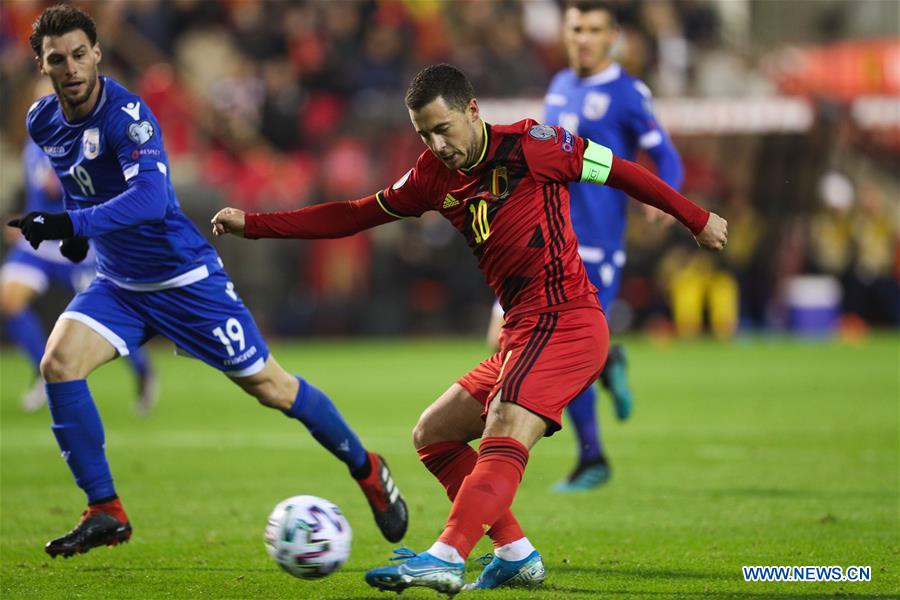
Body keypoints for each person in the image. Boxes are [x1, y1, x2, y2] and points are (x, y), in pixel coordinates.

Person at [212, 63, 727, 594]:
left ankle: (446, 555)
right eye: (424, 134)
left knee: (505, 420)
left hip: (568, 320)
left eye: (443, 128)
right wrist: (254, 225)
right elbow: (352, 214)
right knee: (433, 434)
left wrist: (696, 218)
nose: (437, 144)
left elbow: (621, 169)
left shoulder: (534, 146)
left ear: (473, 111)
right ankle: (514, 552)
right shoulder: (432, 177)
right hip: (522, 332)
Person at [9, 4, 407, 559]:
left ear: (97, 53)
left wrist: (71, 224)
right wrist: (79, 236)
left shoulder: (129, 117)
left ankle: (368, 469)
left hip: (183, 280)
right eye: (58, 59)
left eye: (80, 54)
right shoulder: (42, 120)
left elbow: (150, 200)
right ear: (42, 64)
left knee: (272, 388)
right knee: (59, 364)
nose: (72, 67)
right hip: (121, 283)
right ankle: (105, 510)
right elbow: (79, 182)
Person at [485, 0, 685, 492]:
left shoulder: (627, 93)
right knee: (499, 339)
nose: (584, 39)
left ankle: (592, 456)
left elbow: (667, 156)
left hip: (593, 244)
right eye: (576, 28)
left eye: (594, 30)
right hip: (540, 239)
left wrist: (666, 202)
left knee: (562, 347)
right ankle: (608, 360)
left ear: (612, 35)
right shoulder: (559, 85)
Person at [3, 132, 158, 415]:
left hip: (73, 242)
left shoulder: (87, 141)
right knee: (8, 301)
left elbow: (55, 186)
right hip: (37, 244)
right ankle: (43, 371)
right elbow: (34, 189)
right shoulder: (33, 140)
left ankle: (143, 371)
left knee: (108, 317)